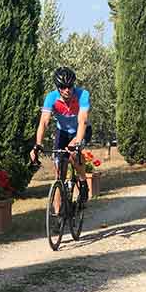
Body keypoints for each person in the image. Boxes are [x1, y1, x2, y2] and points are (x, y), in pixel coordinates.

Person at [30, 67, 91, 203]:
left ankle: (83, 182)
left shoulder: (83, 95)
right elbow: (44, 122)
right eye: (62, 87)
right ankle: (60, 213)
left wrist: (77, 144)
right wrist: (37, 145)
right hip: (62, 132)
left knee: (74, 154)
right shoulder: (51, 98)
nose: (67, 90)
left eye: (69, 86)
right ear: (57, 87)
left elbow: (83, 121)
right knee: (59, 172)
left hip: (80, 130)